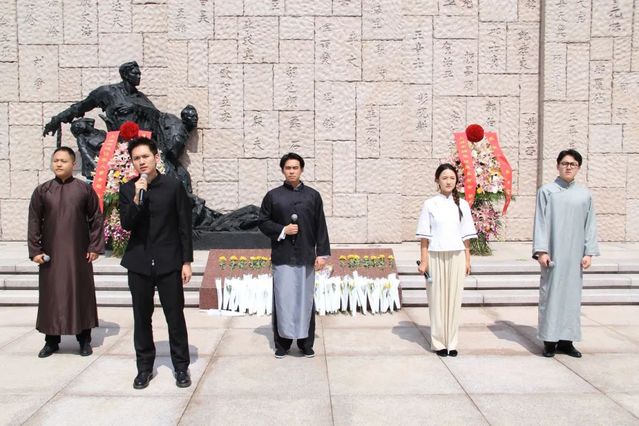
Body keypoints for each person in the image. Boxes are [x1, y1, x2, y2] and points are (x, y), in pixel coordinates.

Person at [119, 137, 193, 389]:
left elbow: (184, 225)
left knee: (175, 316)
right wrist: (137, 198)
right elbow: (127, 224)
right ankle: (144, 368)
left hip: (169, 262)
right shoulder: (128, 189)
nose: (141, 162)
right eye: (136, 158)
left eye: (145, 156)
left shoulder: (173, 186)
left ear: (156, 157)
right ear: (132, 162)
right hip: (139, 262)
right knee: (142, 318)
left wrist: (186, 261)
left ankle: (181, 367)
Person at [27, 147, 104, 358]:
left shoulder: (84, 190)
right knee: (52, 296)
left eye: (64, 161)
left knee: (81, 294)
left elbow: (96, 218)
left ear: (73, 164)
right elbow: (34, 221)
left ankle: (84, 340)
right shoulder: (42, 191)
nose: (59, 164)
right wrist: (35, 250)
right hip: (51, 255)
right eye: (56, 160)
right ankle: (51, 341)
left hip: (78, 254)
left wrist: (94, 247)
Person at [258, 153, 330, 359]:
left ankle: (306, 343)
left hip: (306, 255)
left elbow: (320, 226)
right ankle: (283, 344)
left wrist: (322, 254)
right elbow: (263, 222)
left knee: (305, 300)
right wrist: (282, 230)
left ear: (301, 170)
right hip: (283, 256)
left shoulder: (313, 196)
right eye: (288, 168)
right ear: (283, 170)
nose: (291, 171)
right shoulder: (273, 196)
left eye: (295, 168)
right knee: (283, 299)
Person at [533, 149, 599, 358]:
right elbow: (540, 222)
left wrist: (588, 252)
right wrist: (541, 251)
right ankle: (549, 341)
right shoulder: (547, 191)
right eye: (565, 163)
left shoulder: (584, 195)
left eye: (573, 164)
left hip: (575, 255)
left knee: (571, 297)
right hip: (553, 253)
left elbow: (590, 225)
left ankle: (567, 341)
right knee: (551, 296)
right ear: (558, 165)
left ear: (578, 168)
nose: (568, 167)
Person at [416, 163, 476, 357]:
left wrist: (467, 260)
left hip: (457, 256)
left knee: (454, 300)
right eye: (444, 178)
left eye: (452, 178)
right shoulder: (430, 204)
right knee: (437, 300)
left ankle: (452, 342)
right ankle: (439, 342)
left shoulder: (462, 205)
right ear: (437, 180)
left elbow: (466, 237)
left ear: (456, 180)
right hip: (435, 255)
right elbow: (424, 237)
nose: (448, 181)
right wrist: (424, 261)